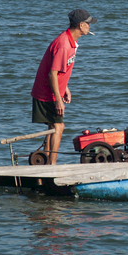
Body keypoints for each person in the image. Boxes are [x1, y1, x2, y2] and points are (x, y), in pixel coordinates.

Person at [30, 9, 96, 164]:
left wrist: (65, 87)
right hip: (47, 93)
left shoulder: (69, 41)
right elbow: (52, 74)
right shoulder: (64, 45)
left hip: (50, 90)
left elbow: (59, 70)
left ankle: (46, 162)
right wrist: (58, 100)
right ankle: (52, 165)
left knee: (53, 126)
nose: (89, 27)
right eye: (88, 24)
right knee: (59, 126)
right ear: (80, 25)